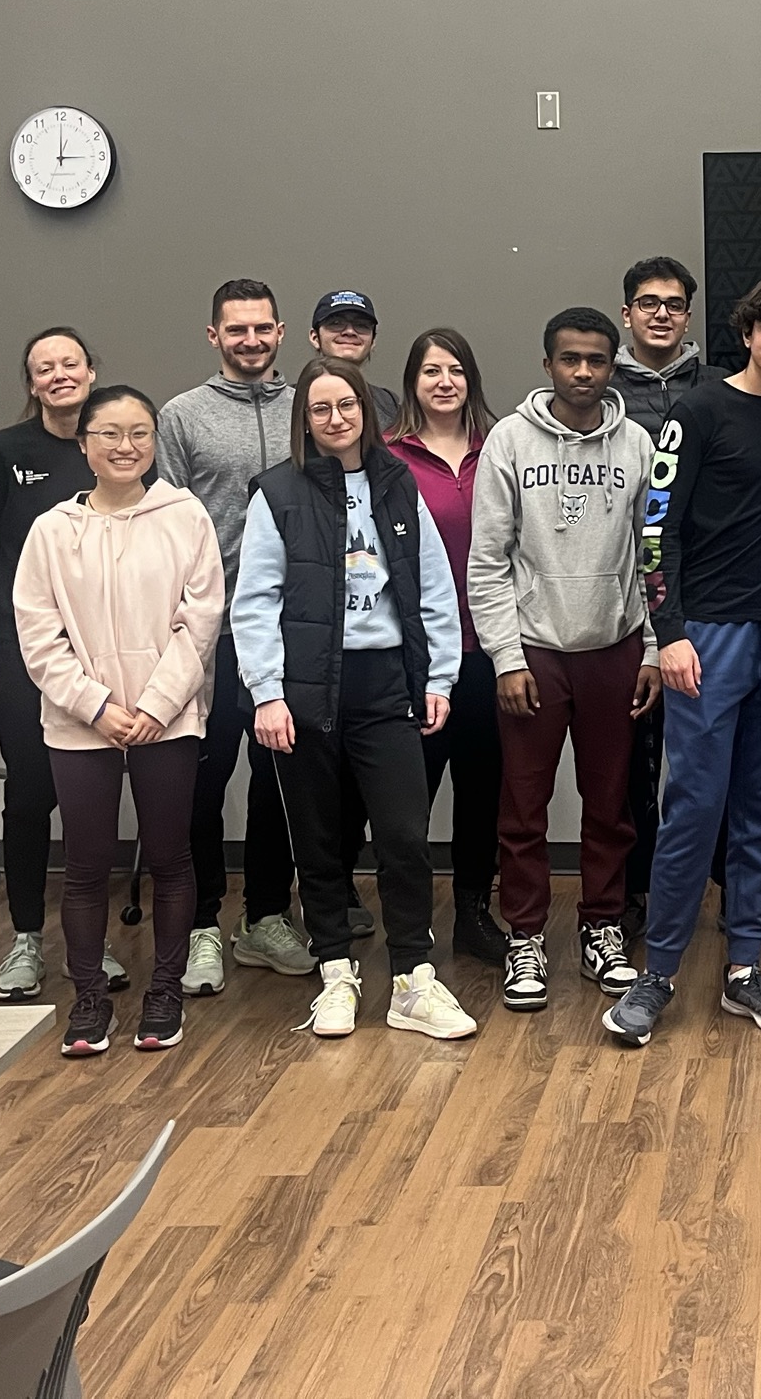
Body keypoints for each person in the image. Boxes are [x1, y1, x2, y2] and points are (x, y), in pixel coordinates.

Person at [604, 276, 761, 1046]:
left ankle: (743, 971)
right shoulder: (697, 411)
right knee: (694, 810)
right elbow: (655, 529)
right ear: (746, 333)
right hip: (709, 637)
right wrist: (668, 632)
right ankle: (659, 974)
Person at [239, 357, 477, 1042]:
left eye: (346, 405)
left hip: (385, 685)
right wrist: (267, 693)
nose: (335, 418)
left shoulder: (397, 483)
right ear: (304, 419)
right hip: (306, 691)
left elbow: (434, 585)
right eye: (320, 408)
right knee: (319, 841)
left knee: (404, 836)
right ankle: (336, 972)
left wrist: (438, 678)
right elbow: (254, 601)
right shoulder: (277, 493)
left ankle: (413, 980)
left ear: (365, 412)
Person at [14, 385, 225, 1056]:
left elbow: (202, 620)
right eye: (108, 433)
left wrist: (157, 705)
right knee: (85, 865)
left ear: (154, 442)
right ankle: (89, 1000)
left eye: (139, 433)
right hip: (81, 723)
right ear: (84, 444)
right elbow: (38, 635)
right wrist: (97, 706)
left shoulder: (185, 515)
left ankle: (164, 992)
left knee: (169, 857)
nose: (125, 446)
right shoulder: (52, 530)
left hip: (168, 718)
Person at [471, 307, 662, 1011]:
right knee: (524, 807)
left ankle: (602, 926)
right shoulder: (509, 442)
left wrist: (650, 647)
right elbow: (488, 560)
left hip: (614, 648)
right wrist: (504, 657)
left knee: (610, 804)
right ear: (547, 363)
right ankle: (525, 935)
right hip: (535, 652)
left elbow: (651, 555)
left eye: (597, 361)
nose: (583, 372)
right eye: (570, 359)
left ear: (613, 367)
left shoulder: (637, 443)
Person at [154, 279, 316, 992]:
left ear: (280, 332)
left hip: (293, 627)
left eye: (262, 328)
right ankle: (200, 926)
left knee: (281, 777)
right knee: (203, 776)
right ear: (214, 336)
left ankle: (266, 917)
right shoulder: (182, 416)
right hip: (211, 629)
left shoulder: (307, 406)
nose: (250, 340)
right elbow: (162, 525)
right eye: (236, 329)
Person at [0, 326, 118, 1002]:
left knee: (90, 796)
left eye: (69, 364)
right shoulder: (4, 452)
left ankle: (91, 939)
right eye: (44, 368)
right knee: (29, 793)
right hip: (23, 651)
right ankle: (26, 937)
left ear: (90, 371)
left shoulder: (113, 445)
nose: (59, 375)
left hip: (103, 651)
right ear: (32, 383)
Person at [386, 327, 507, 967]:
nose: (444, 382)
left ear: (471, 379)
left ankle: (473, 914)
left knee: (483, 791)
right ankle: (406, 926)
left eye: (455, 370)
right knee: (409, 800)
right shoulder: (387, 457)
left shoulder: (501, 448)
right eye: (431, 370)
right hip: (416, 657)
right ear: (413, 381)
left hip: (488, 650)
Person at [610, 255, 718, 929]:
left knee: (714, 753)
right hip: (623, 601)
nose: (660, 314)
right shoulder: (601, 391)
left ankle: (732, 891)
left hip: (705, 596)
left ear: (687, 315)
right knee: (632, 762)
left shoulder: (718, 387)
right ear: (627, 313)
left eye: (673, 304)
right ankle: (634, 894)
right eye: (647, 303)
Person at [307, 291, 403, 427]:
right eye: (336, 323)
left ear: (373, 341)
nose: (350, 331)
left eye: (361, 325)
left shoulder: (389, 404)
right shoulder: (292, 399)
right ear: (315, 337)